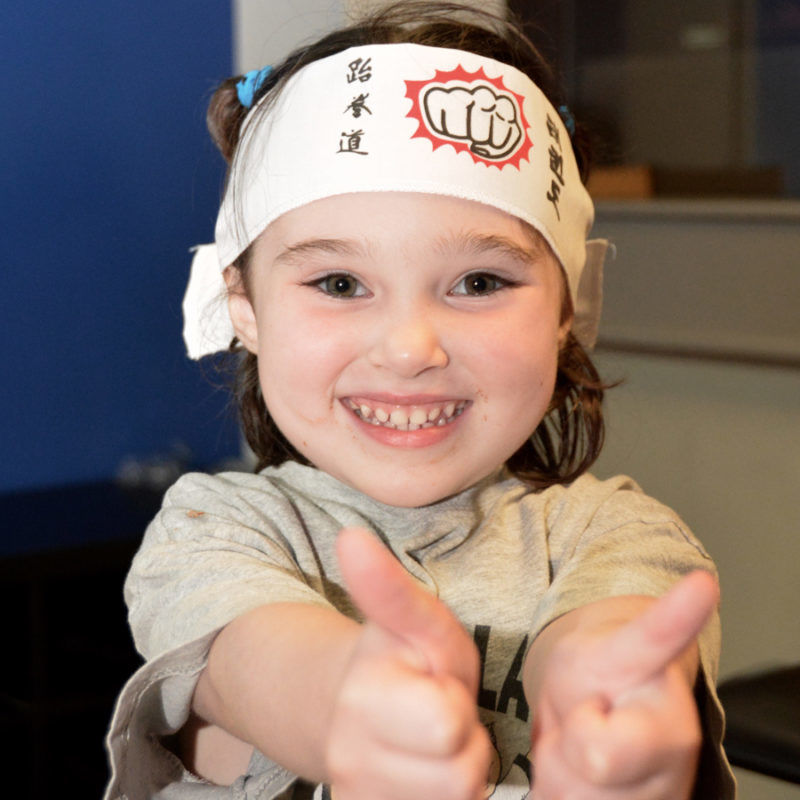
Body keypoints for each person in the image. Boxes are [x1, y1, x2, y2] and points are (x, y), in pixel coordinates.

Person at [104, 3, 736, 798]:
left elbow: (606, 629)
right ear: (244, 307)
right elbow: (253, 659)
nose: (409, 348)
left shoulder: (614, 535)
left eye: (480, 282)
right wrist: (357, 705)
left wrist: (603, 703)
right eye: (339, 283)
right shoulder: (212, 532)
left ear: (567, 311)